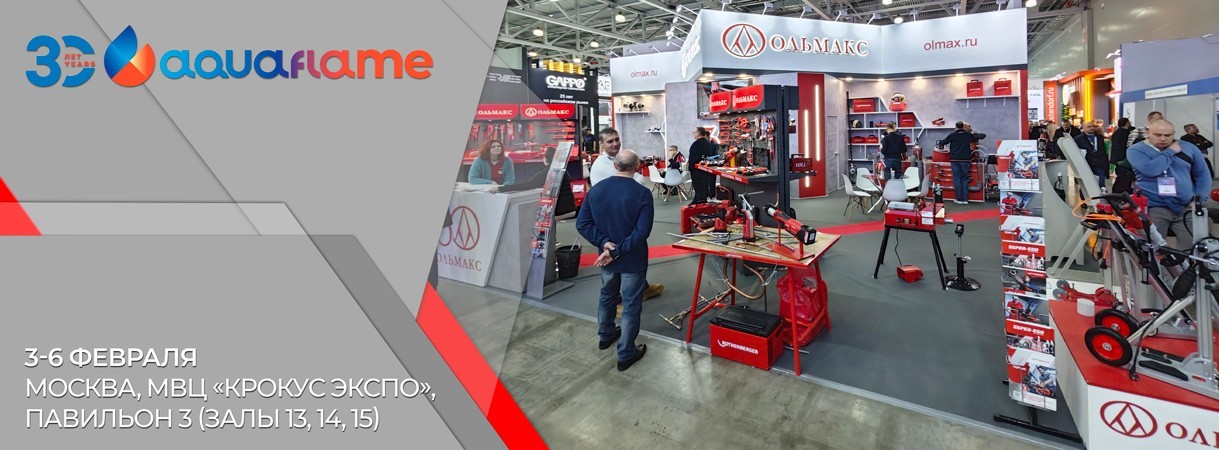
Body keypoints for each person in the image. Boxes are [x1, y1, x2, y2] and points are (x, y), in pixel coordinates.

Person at [575, 149, 652, 371]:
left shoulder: (596, 190)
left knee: (607, 295)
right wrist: (617, 250)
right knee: (631, 305)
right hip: (632, 259)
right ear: (637, 167)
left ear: (615, 165)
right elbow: (642, 232)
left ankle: (605, 334)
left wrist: (604, 243)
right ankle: (626, 353)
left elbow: (582, 224)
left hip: (605, 258)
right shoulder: (642, 193)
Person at [591, 128, 664, 300]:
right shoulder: (601, 166)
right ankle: (616, 301)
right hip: (611, 220)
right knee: (613, 259)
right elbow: (635, 181)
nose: (615, 143)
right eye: (610, 141)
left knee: (631, 251)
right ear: (601, 144)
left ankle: (642, 288)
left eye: (616, 139)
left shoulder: (616, 160)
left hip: (623, 214)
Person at [1127, 120, 1212, 246]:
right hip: (1154, 206)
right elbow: (1152, 170)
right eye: (1158, 135)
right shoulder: (1136, 150)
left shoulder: (1189, 148)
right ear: (1147, 133)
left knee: (1193, 247)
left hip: (1186, 205)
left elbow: (1203, 175)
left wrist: (1199, 200)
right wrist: (1170, 152)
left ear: (1174, 134)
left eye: (1168, 135)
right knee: (1154, 249)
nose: (1163, 139)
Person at [497, 146, 576, 219]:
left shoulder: (548, 171)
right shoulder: (563, 170)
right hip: (570, 208)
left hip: (559, 211)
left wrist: (501, 188)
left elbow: (528, 185)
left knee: (528, 216)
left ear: (545, 159)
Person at [938, 121, 985, 204]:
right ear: (963, 127)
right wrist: (972, 131)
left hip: (955, 160)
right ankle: (965, 199)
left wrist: (941, 143)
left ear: (956, 127)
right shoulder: (968, 135)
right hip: (966, 160)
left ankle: (959, 199)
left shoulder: (952, 135)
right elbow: (982, 136)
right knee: (965, 179)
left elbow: (942, 142)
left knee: (957, 178)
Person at [1073, 121, 1109, 188]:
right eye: (1089, 127)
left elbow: (1103, 150)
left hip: (1099, 162)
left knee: (1101, 179)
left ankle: (1102, 192)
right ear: (1083, 127)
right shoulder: (1078, 139)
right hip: (1086, 163)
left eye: (1093, 126)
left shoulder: (1099, 137)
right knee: (1087, 183)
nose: (1092, 128)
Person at [687, 127, 718, 205]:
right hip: (704, 170)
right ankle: (701, 201)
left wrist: (690, 167)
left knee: (699, 188)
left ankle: (698, 202)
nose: (693, 134)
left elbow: (693, 158)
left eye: (694, 132)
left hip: (696, 170)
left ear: (698, 133)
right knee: (703, 187)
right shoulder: (708, 144)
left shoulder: (696, 144)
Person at [1110, 117, 1136, 193]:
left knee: (1120, 175)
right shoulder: (1126, 134)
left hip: (1117, 159)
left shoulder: (1116, 133)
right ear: (1127, 123)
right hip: (1123, 159)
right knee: (1124, 177)